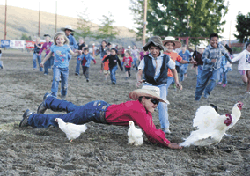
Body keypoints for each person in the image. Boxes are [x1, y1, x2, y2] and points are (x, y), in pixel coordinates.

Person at [19, 86, 182, 150]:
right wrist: (167, 143)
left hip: (97, 108)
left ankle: (49, 100)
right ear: (143, 98)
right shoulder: (139, 110)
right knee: (64, 119)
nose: (155, 104)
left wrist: (161, 139)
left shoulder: (139, 108)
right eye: (154, 101)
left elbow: (150, 128)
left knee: (74, 111)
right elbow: (150, 131)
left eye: (157, 102)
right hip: (95, 112)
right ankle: (31, 118)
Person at [136, 36, 182, 134]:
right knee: (144, 105)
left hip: (161, 85)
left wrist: (177, 81)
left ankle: (165, 128)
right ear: (149, 49)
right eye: (152, 48)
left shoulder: (166, 58)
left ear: (160, 49)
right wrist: (139, 80)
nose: (154, 51)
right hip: (148, 84)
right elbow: (139, 71)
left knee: (162, 104)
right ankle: (144, 126)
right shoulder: (146, 58)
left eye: (156, 48)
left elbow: (174, 69)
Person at [40, 32, 78, 99]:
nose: (59, 40)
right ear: (55, 40)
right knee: (56, 80)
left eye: (61, 39)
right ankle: (54, 95)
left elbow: (73, 54)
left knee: (65, 85)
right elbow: (48, 55)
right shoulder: (53, 47)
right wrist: (42, 62)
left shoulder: (66, 47)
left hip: (65, 68)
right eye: (58, 39)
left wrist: (78, 53)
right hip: (56, 67)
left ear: (64, 40)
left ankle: (63, 95)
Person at [195, 33, 232, 101]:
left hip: (216, 68)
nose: (214, 42)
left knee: (215, 80)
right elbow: (203, 59)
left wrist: (230, 60)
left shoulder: (221, 47)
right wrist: (210, 60)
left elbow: (226, 53)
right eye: (212, 40)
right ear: (210, 40)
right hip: (207, 69)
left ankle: (207, 91)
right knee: (202, 84)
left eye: (216, 40)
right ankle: (197, 97)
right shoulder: (207, 49)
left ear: (217, 40)